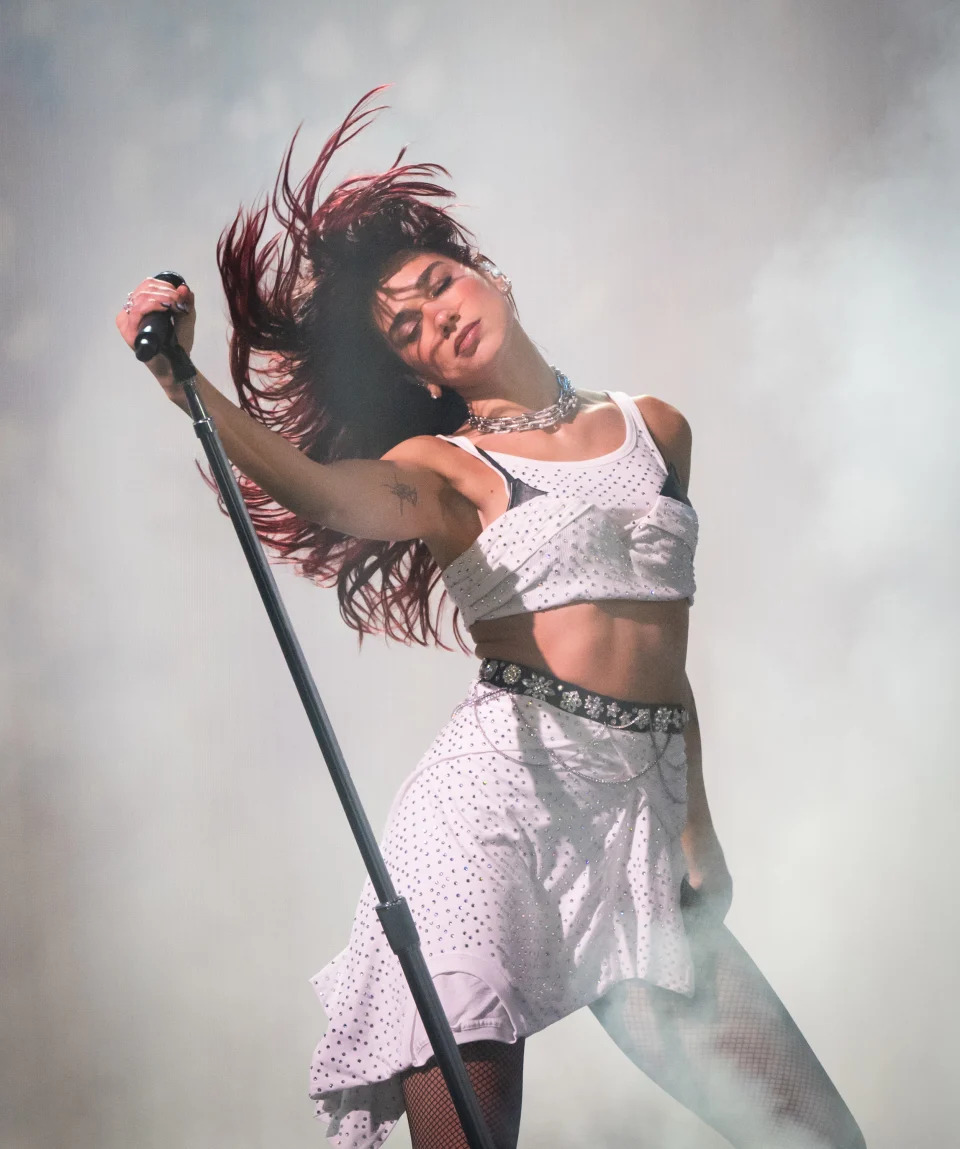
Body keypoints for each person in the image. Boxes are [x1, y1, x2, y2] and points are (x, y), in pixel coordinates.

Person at [116, 91, 865, 1149]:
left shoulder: (655, 429)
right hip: (493, 818)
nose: (436, 315)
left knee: (816, 1135)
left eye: (438, 286)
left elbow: (663, 655)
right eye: (408, 328)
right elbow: (326, 496)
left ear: (488, 277)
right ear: (417, 372)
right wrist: (182, 382)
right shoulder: (445, 470)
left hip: (636, 825)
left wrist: (696, 825)